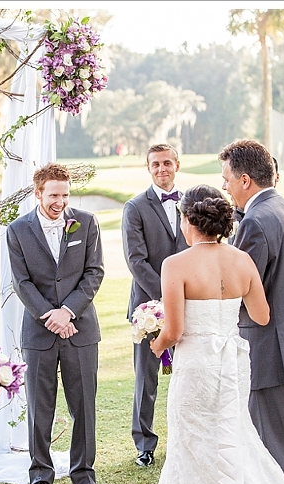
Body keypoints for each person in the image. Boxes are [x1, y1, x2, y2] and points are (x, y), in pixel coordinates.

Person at [150, 185, 284, 484]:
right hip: (233, 363)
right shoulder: (243, 260)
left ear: (188, 219)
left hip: (196, 366)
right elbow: (262, 316)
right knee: (236, 436)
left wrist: (157, 345)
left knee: (191, 442)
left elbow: (175, 330)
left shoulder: (175, 265)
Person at [220, 139, 284, 484]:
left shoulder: (255, 222)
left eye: (227, 179)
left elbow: (245, 290)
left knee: (274, 448)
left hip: (268, 350)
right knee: (278, 440)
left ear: (245, 180)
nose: (225, 187)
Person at [7, 162, 106, 484]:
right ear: (38, 193)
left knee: (84, 406)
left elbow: (94, 272)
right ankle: (40, 476)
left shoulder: (87, 223)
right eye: (53, 195)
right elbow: (21, 282)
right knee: (39, 407)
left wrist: (68, 312)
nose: (60, 202)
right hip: (40, 332)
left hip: (80, 328)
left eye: (65, 195)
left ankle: (84, 477)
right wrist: (50, 315)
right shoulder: (17, 230)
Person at [121, 143, 189, 467]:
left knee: (187, 374)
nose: (162, 169)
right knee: (147, 379)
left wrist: (184, 296)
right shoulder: (135, 207)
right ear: (148, 168)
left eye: (167, 163)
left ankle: (185, 439)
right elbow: (136, 260)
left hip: (189, 303)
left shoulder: (191, 203)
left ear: (177, 164)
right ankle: (145, 445)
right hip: (148, 308)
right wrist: (165, 298)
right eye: (155, 164)